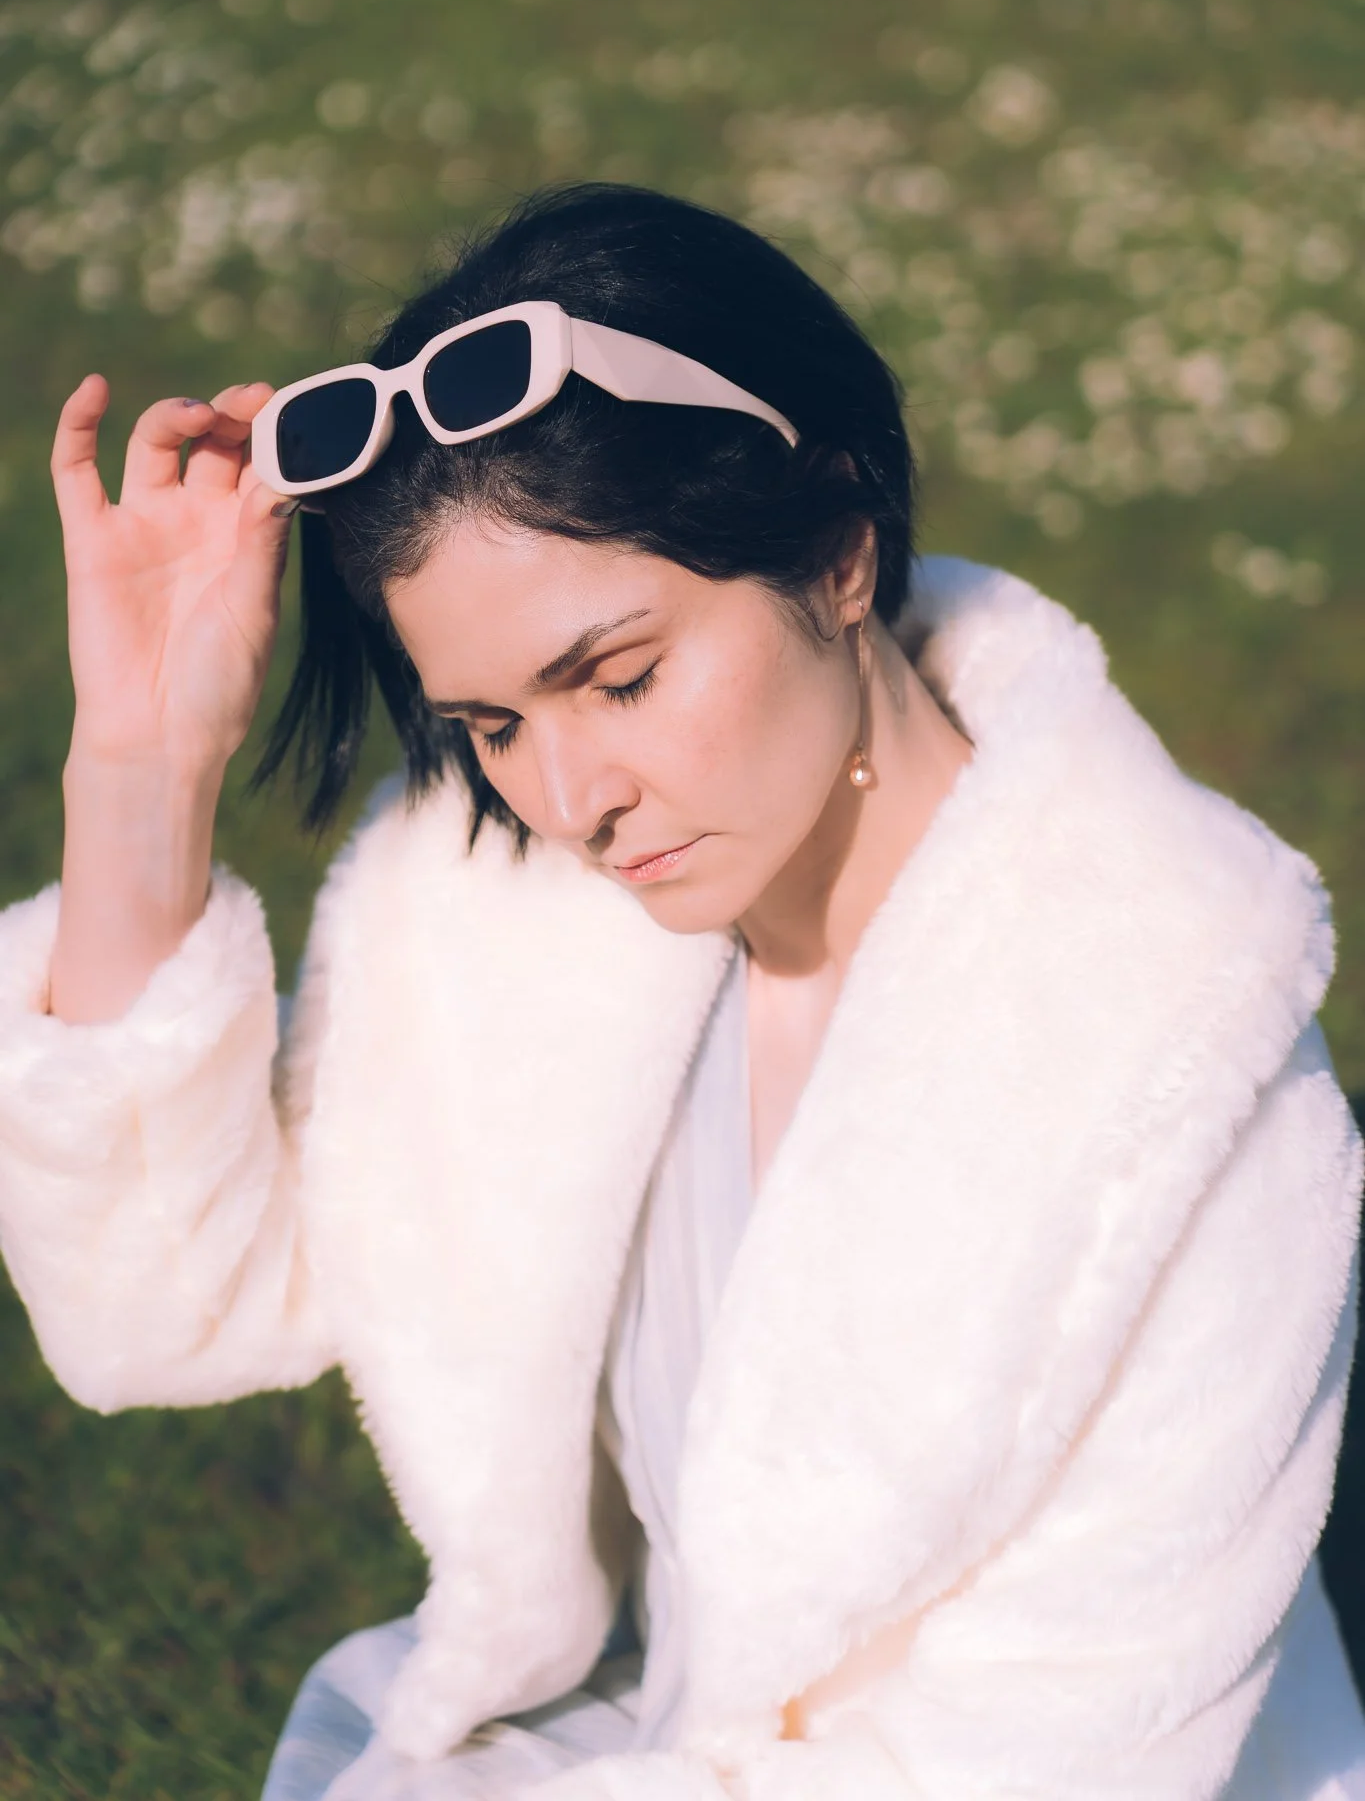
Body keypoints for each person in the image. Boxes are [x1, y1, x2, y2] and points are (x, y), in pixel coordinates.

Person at [0, 182, 1360, 1801]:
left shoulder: (1188, 1060)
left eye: (621, 676)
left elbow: (1054, 1755)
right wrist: (147, 760)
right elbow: (158, 1314)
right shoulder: (492, 896)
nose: (573, 796)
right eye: (494, 722)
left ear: (840, 552)